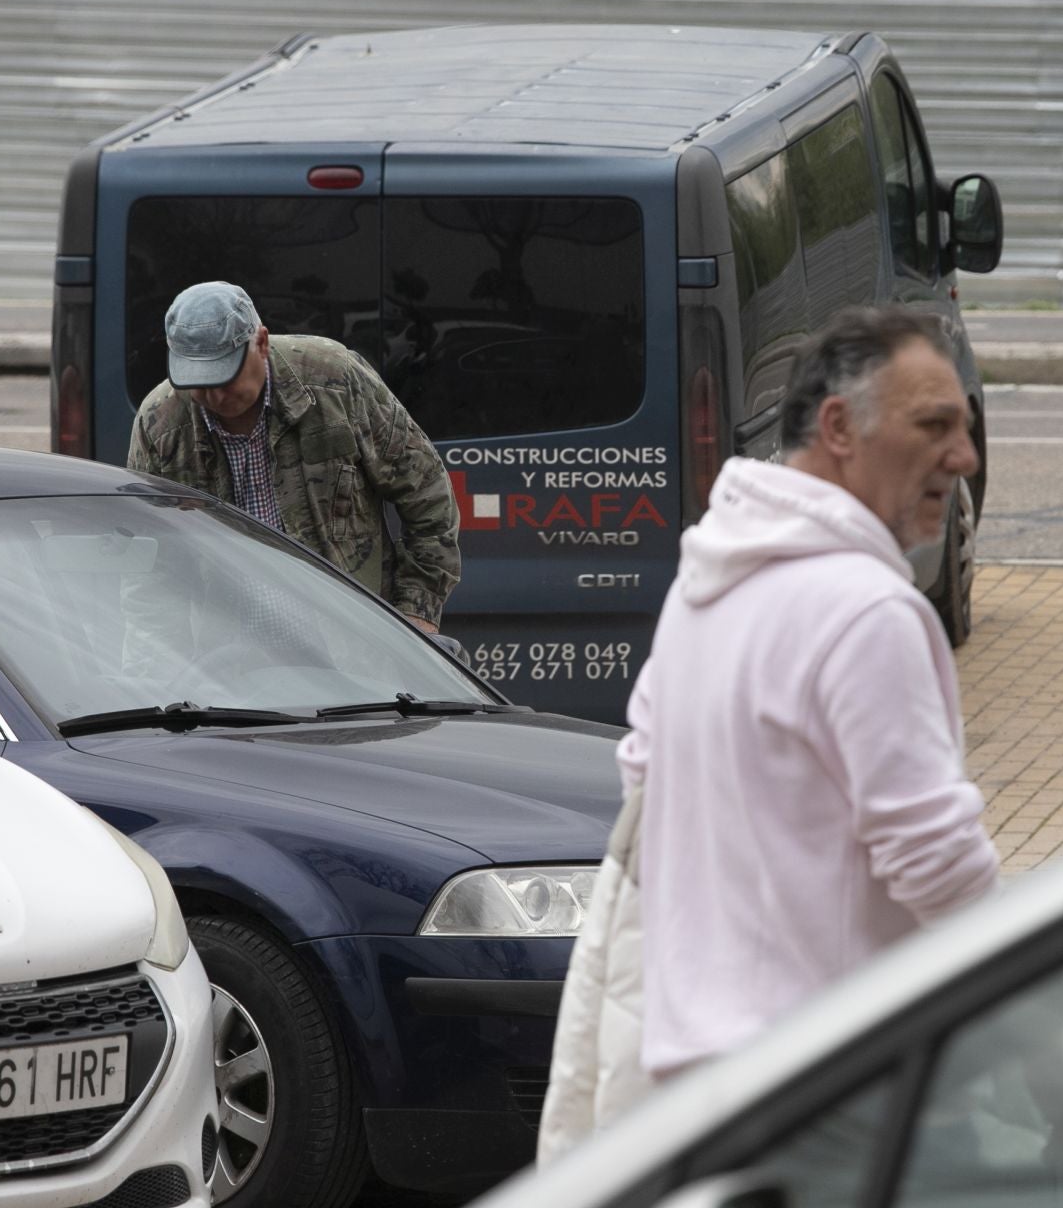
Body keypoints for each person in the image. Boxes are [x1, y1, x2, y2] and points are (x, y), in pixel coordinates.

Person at [540, 305, 1007, 1161]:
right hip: (838, 1091)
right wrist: (1041, 1036)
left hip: (702, 1090)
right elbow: (937, 861)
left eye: (964, 428)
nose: (964, 456)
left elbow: (643, 777)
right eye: (934, 425)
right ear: (839, 427)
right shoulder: (867, 614)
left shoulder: (707, 586)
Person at [126, 281, 460, 630]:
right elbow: (150, 560)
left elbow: (427, 491)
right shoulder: (160, 425)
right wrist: (156, 656)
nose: (215, 396)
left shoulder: (335, 381)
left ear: (261, 343)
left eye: (225, 377)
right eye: (198, 382)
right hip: (228, 648)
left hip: (353, 637)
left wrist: (417, 612)